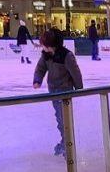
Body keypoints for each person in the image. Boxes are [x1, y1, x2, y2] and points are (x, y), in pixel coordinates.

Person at [33, 28, 84, 157]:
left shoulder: (66, 56)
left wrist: (79, 89)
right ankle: (65, 143)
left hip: (65, 91)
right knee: (59, 119)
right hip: (53, 91)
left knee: (64, 119)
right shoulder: (46, 55)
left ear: (51, 45)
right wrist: (37, 80)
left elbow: (75, 73)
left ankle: (67, 145)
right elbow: (40, 68)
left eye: (44, 45)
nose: (42, 47)